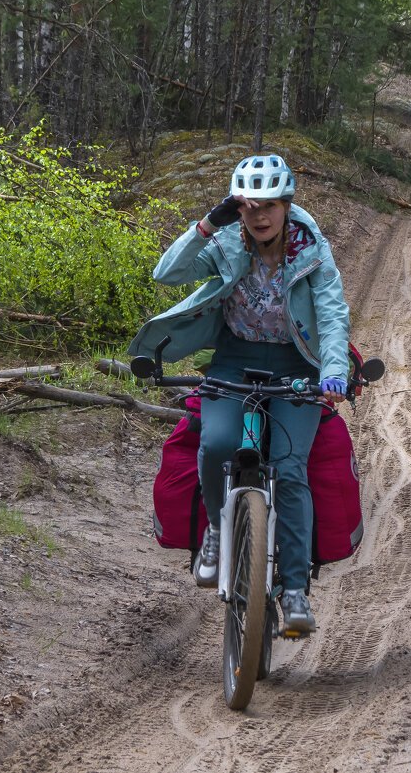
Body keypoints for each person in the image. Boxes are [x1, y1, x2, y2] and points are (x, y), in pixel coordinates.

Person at [128, 154, 351, 636]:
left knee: (290, 470)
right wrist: (209, 223)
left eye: (270, 206)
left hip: (296, 366)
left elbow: (332, 314)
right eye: (250, 207)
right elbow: (166, 274)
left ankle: (294, 591)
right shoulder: (227, 239)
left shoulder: (311, 248)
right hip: (232, 360)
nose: (261, 216)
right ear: (238, 208)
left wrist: (333, 370)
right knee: (217, 444)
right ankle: (214, 530)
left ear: (287, 206)